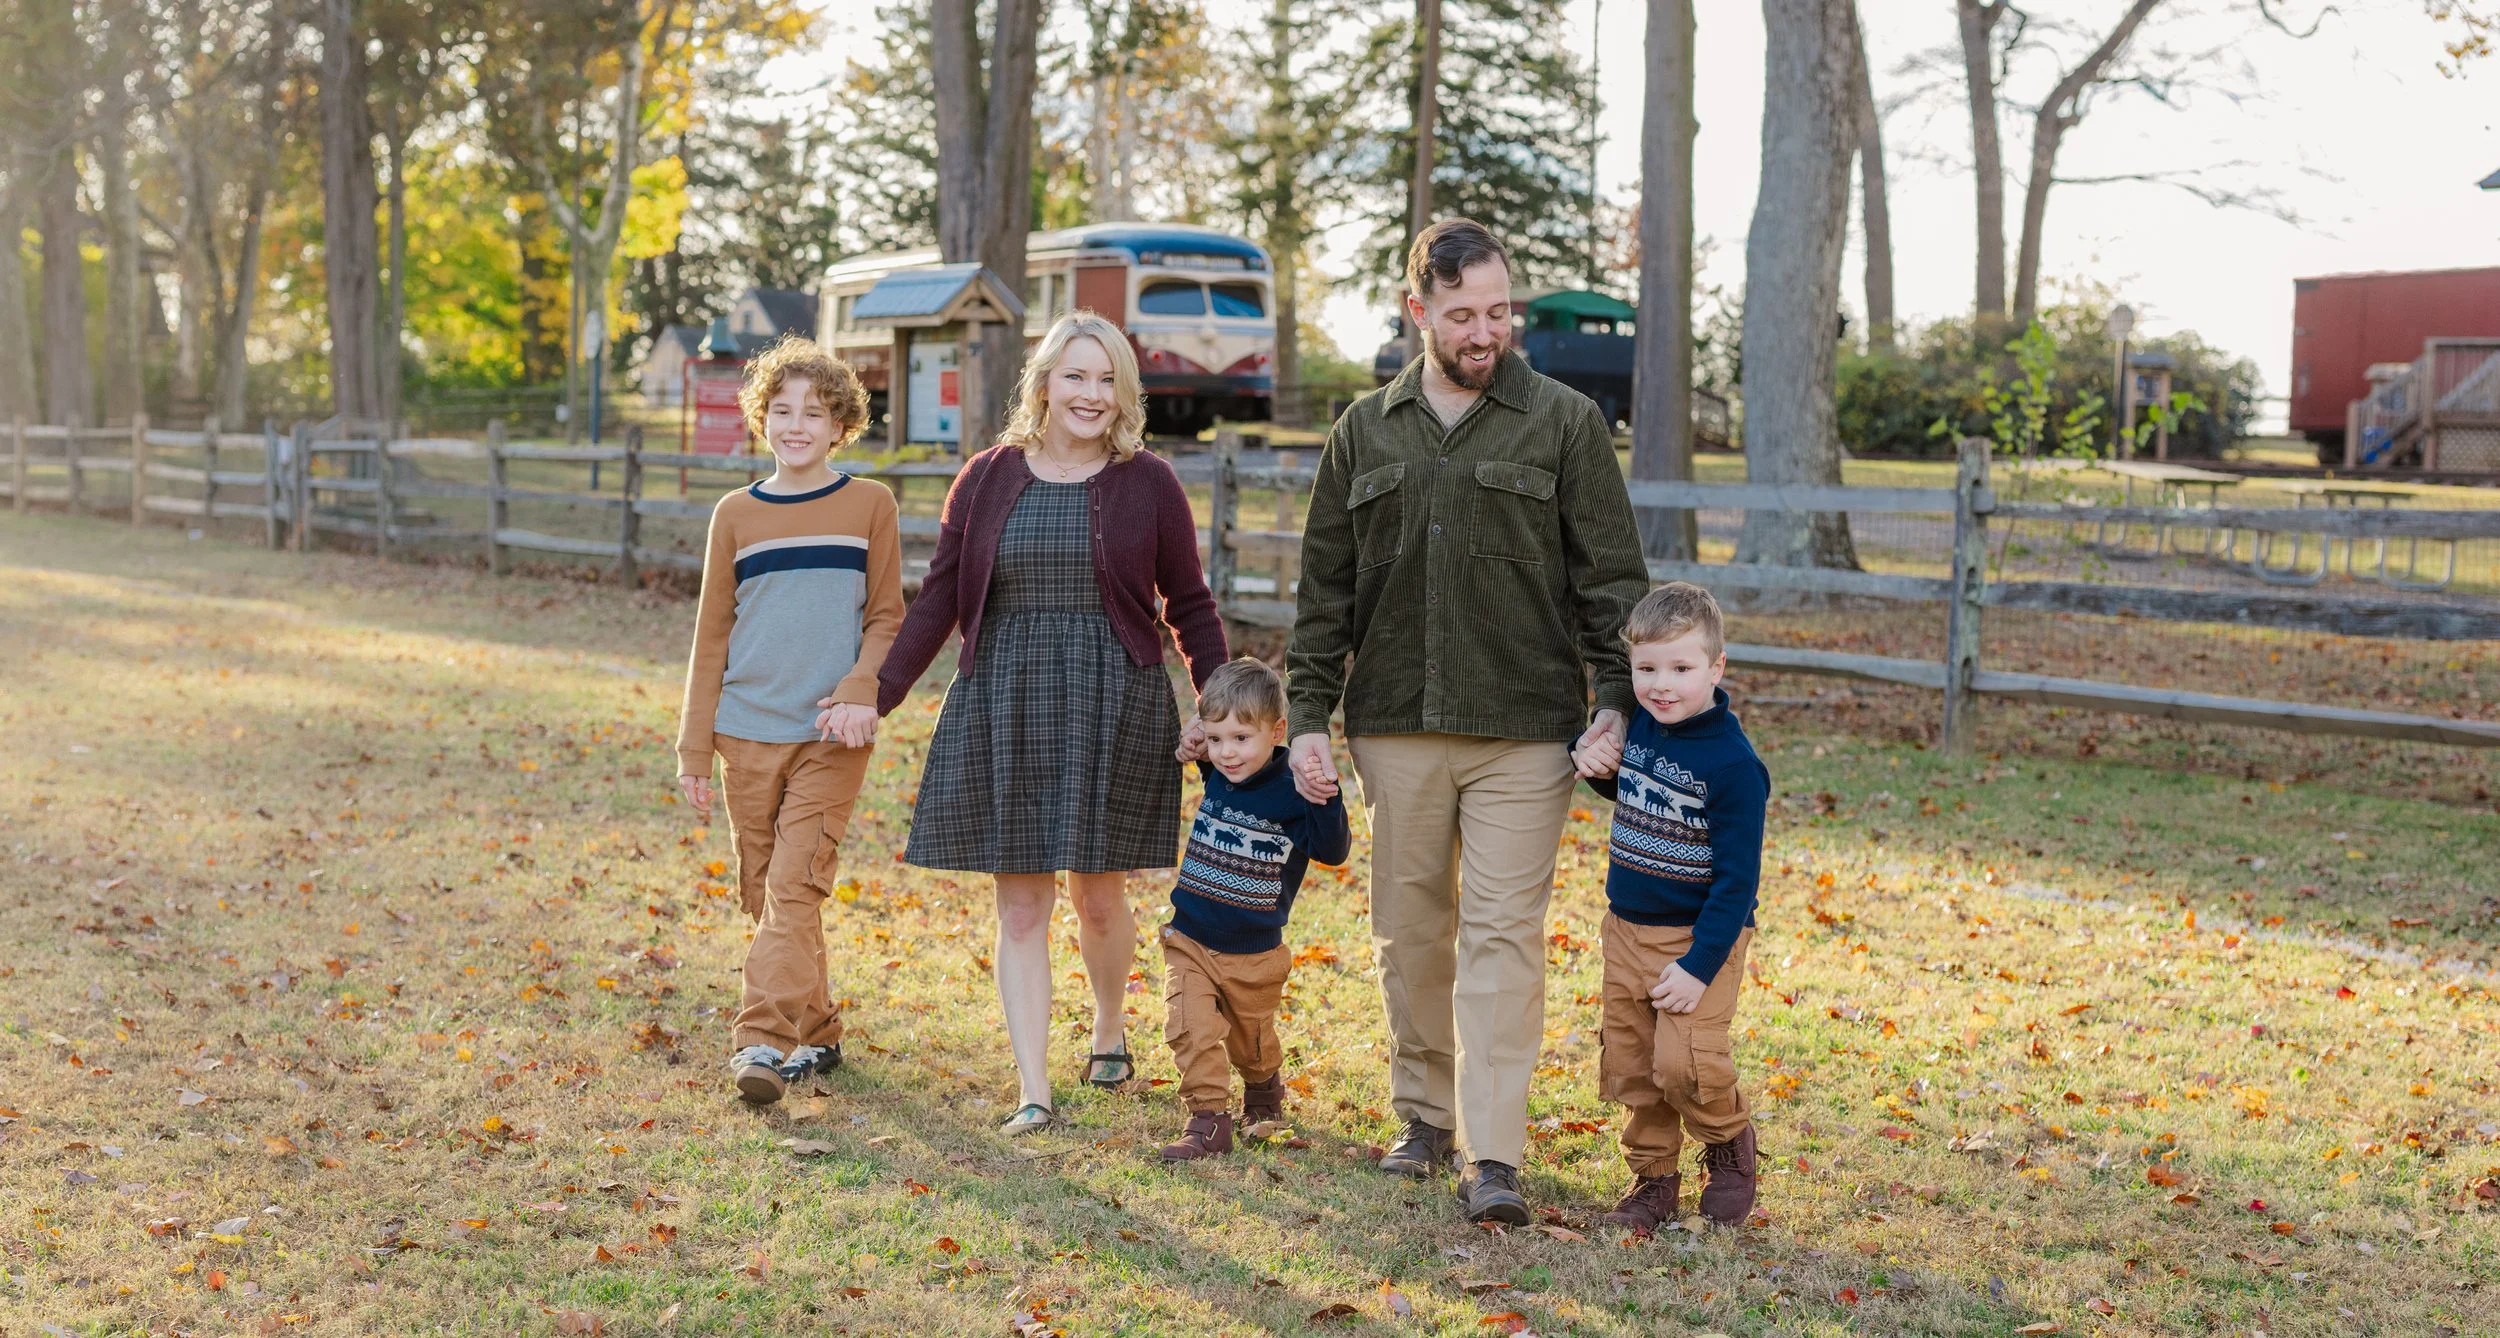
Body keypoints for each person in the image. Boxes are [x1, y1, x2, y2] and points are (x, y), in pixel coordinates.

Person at [1284, 218, 1650, 1224]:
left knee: (1502, 936)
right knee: (1411, 934)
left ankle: (1493, 1153)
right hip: (1394, 722)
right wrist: (1307, 713)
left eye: (1499, 312)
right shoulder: (1365, 429)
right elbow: (1324, 593)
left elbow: (1612, 583)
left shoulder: (1567, 423)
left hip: (1528, 730)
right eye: (1462, 316)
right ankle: (1424, 1116)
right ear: (1418, 315)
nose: (1485, 332)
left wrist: (1616, 703)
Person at [876, 310, 1228, 1136]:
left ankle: (1109, 1026)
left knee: (1099, 901)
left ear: (1125, 394)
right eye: (1076, 376)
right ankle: (1033, 1087)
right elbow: (939, 595)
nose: (1092, 394)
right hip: (1007, 694)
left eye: (1108, 380)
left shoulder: (1150, 482)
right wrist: (880, 690)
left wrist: (1218, 708)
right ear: (1043, 382)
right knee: (1022, 908)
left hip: (1113, 695)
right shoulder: (988, 475)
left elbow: (1191, 604)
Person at [675, 339, 905, 1106]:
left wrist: (858, 686)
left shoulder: (869, 504)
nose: (797, 424)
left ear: (841, 423)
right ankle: (821, 1031)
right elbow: (712, 634)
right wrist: (694, 750)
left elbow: (885, 616)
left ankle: (761, 1044)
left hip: (830, 735)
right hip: (745, 729)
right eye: (782, 409)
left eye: (815, 411)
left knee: (794, 886)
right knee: (765, 890)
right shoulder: (734, 514)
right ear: (759, 418)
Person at [1575, 583, 1768, 1231]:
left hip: (1698, 940)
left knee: (1682, 1064)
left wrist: (1699, 965)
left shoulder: (1734, 766)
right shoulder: (1647, 727)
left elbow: (1738, 883)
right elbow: (1640, 794)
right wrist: (1603, 768)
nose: (1662, 685)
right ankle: (1653, 1180)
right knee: (1632, 1064)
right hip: (1625, 930)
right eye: (1647, 668)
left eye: (1682, 669)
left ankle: (1729, 1141)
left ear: (1716, 668)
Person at [1156, 658, 1350, 1162]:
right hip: (1190, 937)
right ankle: (1208, 1119)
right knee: (1188, 1026)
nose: (1227, 753)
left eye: (1241, 738)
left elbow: (1332, 851)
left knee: (1252, 1043)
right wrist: (1195, 744)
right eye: (1216, 738)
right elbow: (1200, 752)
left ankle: (1263, 1090)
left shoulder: (1295, 787)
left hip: (1253, 952)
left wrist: (1325, 797)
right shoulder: (1220, 769)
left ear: (1277, 730)